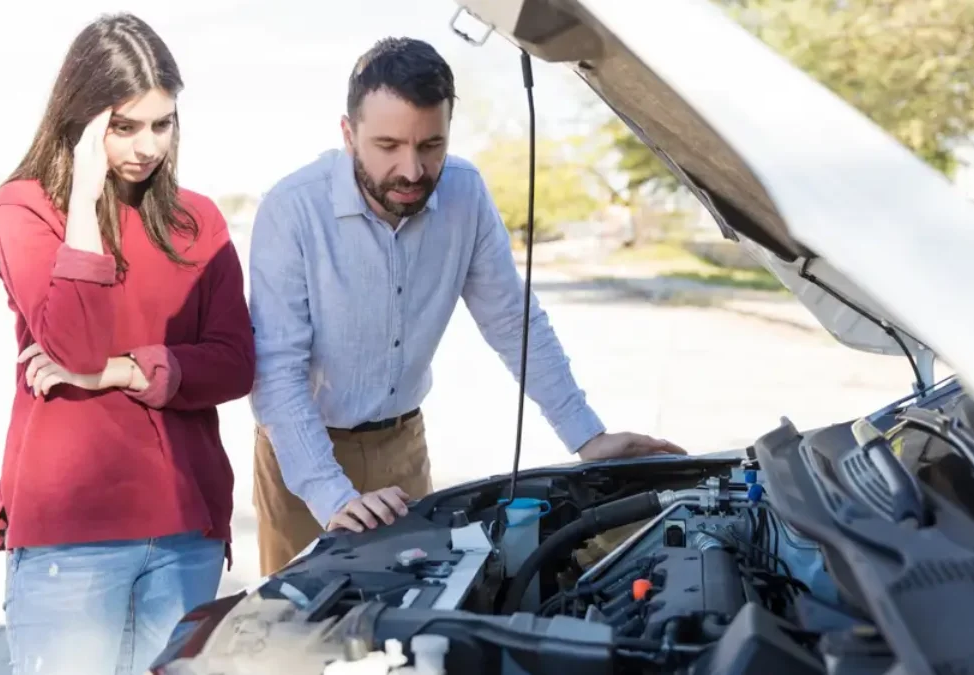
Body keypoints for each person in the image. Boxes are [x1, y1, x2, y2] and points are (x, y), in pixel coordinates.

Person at [247, 37, 686, 576]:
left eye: (431, 145)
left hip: (404, 444)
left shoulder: (466, 194)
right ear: (348, 134)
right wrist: (329, 493)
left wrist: (587, 436)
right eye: (387, 146)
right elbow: (276, 369)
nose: (411, 170)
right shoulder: (292, 209)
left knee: (408, 619)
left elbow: (512, 321)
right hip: (302, 455)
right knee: (297, 632)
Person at [0, 13, 254, 675]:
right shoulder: (26, 208)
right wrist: (84, 201)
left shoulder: (199, 220)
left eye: (162, 123)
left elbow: (236, 363)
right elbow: (73, 343)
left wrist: (124, 372)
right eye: (123, 126)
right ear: (82, 118)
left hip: (187, 531)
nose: (146, 145)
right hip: (73, 537)